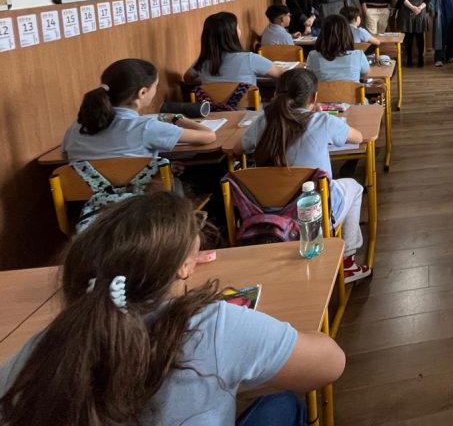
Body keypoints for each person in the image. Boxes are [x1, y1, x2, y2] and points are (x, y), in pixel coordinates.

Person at [0, 192, 345, 426]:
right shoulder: (212, 326)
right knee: (283, 403)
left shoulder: (42, 350)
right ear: (183, 266)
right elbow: (331, 363)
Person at [242, 69, 371, 284]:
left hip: (269, 211)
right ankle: (348, 260)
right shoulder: (322, 121)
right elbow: (358, 137)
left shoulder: (263, 120)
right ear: (314, 98)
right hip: (314, 214)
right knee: (354, 187)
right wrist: (319, 116)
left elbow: (241, 146)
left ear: (277, 93)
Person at [62, 59, 216, 161]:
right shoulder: (146, 127)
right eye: (155, 86)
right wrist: (176, 118)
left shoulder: (76, 127)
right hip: (142, 200)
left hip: (88, 200)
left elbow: (66, 158)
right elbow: (209, 136)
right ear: (142, 92)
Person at [184, 12, 283, 85]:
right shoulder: (249, 59)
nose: (240, 30)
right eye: (238, 27)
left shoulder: (202, 62)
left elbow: (187, 78)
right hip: (247, 108)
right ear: (233, 34)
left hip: (212, 108)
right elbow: (282, 75)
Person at [305, 14, 370, 83]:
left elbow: (309, 77)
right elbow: (365, 74)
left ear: (323, 34)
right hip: (351, 90)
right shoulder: (358, 55)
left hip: (323, 90)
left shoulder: (313, 56)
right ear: (347, 34)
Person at [395, 0, 433, 68]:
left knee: (420, 36)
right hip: (407, 12)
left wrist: (419, 8)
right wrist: (412, 8)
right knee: (408, 37)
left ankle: (421, 58)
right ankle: (409, 59)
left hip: (421, 12)